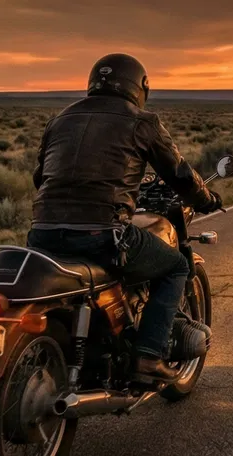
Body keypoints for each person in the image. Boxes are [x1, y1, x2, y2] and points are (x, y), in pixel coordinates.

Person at [26, 53, 222, 384]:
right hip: (102, 235)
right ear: (139, 86)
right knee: (175, 266)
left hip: (42, 234)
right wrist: (206, 198)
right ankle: (148, 357)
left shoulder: (60, 120)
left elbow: (40, 178)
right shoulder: (142, 122)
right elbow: (179, 173)